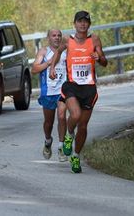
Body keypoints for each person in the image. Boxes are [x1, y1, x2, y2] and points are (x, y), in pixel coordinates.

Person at [49, 11, 108, 173]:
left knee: (82, 126)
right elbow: (58, 52)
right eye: (79, 21)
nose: (83, 24)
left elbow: (105, 62)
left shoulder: (94, 39)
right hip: (72, 86)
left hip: (89, 88)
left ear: (89, 25)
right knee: (74, 115)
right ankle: (68, 136)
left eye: (85, 22)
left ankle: (76, 155)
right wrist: (52, 67)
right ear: (74, 24)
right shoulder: (68, 40)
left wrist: (99, 57)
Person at [31, 29, 68, 162]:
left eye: (59, 35)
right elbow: (34, 69)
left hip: (62, 90)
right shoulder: (44, 52)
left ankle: (61, 147)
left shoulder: (65, 51)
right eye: (54, 35)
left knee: (62, 117)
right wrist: (48, 63)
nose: (57, 38)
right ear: (48, 38)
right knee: (49, 123)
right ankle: (48, 140)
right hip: (48, 91)